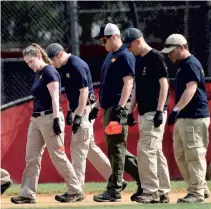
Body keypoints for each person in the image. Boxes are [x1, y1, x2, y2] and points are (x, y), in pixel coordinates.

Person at [45, 43, 128, 195]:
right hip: (79, 108)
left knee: (77, 148)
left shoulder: (76, 65)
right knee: (88, 147)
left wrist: (78, 115)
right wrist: (71, 110)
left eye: (52, 60)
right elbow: (72, 92)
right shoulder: (65, 66)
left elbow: (84, 93)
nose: (52, 64)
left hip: (84, 108)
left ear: (59, 54)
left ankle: (76, 189)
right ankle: (116, 179)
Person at [11, 43, 84, 204]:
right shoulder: (38, 73)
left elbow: (55, 98)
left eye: (31, 61)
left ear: (38, 55)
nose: (29, 66)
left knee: (58, 155)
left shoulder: (50, 72)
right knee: (31, 157)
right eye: (27, 63)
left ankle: (75, 190)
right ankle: (27, 194)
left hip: (50, 117)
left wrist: (57, 119)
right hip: (36, 119)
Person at [90, 23, 141, 202]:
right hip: (109, 107)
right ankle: (145, 180)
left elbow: (129, 83)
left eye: (104, 40)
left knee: (117, 149)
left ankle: (114, 190)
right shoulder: (110, 56)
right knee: (117, 149)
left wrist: (121, 108)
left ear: (113, 37)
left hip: (118, 107)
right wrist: (96, 107)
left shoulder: (125, 56)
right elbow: (106, 86)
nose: (102, 44)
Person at [122, 28, 171, 204]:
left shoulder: (156, 56)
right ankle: (163, 191)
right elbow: (136, 88)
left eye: (129, 45)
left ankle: (151, 191)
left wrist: (160, 110)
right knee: (155, 152)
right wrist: (130, 111)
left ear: (138, 41)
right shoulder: (138, 60)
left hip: (154, 113)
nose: (128, 49)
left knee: (145, 150)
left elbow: (164, 84)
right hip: (144, 113)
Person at [161, 34, 210, 203]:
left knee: (194, 154)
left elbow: (192, 89)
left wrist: (176, 109)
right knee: (180, 154)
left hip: (194, 116)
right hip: (185, 116)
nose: (169, 55)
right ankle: (200, 187)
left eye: (172, 51)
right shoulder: (183, 65)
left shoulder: (191, 64)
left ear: (182, 47)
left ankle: (196, 193)